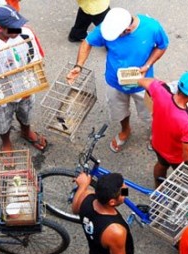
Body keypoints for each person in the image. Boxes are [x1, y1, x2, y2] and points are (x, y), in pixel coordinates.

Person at [67, 7, 169, 153]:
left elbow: (162, 46)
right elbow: (87, 42)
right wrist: (79, 65)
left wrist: (147, 65)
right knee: (119, 111)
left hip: (143, 83)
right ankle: (125, 130)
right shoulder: (109, 25)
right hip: (114, 82)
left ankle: (155, 133)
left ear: (127, 30)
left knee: (150, 113)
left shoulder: (152, 27)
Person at [0, 5, 47, 152]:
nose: (19, 30)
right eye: (13, 28)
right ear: (0, 28)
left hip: (24, 85)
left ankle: (26, 131)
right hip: (0, 91)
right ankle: (6, 142)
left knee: (26, 113)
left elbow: (35, 60)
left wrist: (30, 87)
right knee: (2, 121)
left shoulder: (26, 33)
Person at [137, 71, 188, 188]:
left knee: (161, 164)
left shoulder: (161, 91)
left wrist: (146, 81)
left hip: (157, 144)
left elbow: (144, 81)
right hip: (176, 156)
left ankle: (158, 187)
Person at [72, 172, 135, 254]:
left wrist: (83, 186)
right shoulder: (115, 231)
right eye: (123, 191)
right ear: (112, 202)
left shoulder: (87, 197)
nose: (126, 190)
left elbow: (75, 209)